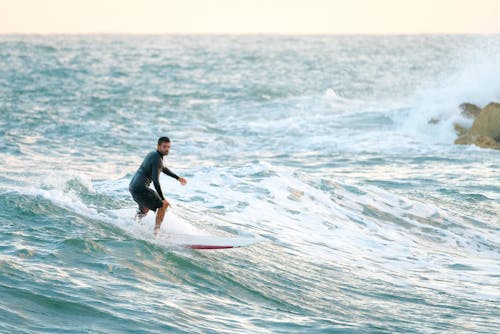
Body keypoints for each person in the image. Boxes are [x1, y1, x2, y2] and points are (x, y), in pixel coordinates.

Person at [129, 136, 187, 235]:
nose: (167, 149)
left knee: (145, 207)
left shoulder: (153, 155)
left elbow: (163, 168)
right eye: (164, 147)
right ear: (158, 146)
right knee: (163, 205)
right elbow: (156, 181)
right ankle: (157, 233)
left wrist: (177, 178)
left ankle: (132, 224)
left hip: (133, 187)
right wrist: (162, 198)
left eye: (168, 147)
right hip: (141, 188)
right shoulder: (157, 160)